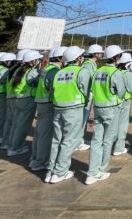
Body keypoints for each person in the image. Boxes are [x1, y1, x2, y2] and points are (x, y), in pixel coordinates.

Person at [47, 46, 90, 184]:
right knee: (69, 141)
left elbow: (52, 90)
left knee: (56, 140)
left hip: (58, 108)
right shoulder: (81, 71)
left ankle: (51, 170)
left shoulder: (59, 72)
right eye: (81, 56)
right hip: (74, 109)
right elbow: (86, 90)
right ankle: (60, 172)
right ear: (78, 58)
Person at [86, 45, 126, 185]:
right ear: (116, 58)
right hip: (111, 108)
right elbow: (121, 92)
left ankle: (91, 172)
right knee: (108, 139)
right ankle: (101, 169)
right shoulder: (116, 73)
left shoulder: (98, 71)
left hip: (98, 108)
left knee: (96, 140)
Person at [29, 46, 65, 172]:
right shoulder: (54, 71)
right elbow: (54, 88)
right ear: (60, 58)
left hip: (41, 102)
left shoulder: (46, 69)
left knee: (39, 132)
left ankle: (35, 158)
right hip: (48, 103)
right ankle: (41, 161)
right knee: (46, 134)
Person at [7, 50, 41, 157]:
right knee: (23, 125)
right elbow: (36, 83)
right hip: (27, 100)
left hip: (18, 99)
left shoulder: (19, 70)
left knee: (16, 124)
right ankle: (16, 148)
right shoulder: (32, 72)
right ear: (33, 61)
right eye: (37, 59)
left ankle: (11, 145)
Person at [76, 44, 104, 152]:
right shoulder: (88, 65)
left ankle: (80, 140)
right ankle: (78, 142)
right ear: (95, 54)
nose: (101, 54)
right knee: (82, 118)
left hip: (89, 93)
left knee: (85, 117)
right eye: (100, 52)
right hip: (87, 94)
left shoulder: (92, 64)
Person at [0, 50, 28, 150]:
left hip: (10, 97)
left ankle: (6, 142)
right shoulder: (20, 70)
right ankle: (15, 145)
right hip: (16, 97)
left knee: (10, 122)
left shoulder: (12, 69)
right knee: (17, 123)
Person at [112, 52, 132, 156]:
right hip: (125, 100)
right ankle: (119, 147)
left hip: (114, 101)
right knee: (122, 125)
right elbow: (130, 88)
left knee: (114, 125)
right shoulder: (128, 73)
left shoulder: (115, 71)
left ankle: (111, 145)